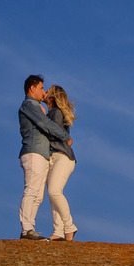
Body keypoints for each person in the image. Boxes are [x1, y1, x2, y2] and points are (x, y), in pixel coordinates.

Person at [18, 74, 71, 240]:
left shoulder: (36, 107)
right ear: (32, 88)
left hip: (41, 154)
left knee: (38, 195)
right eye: (41, 88)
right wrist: (65, 137)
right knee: (32, 190)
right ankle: (27, 229)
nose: (43, 92)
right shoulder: (29, 105)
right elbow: (45, 124)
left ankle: (29, 228)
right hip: (34, 152)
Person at [44, 85, 79, 241]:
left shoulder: (55, 113)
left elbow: (56, 133)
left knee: (54, 191)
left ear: (52, 97)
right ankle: (58, 231)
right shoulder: (52, 113)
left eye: (47, 91)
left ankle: (69, 226)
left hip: (62, 156)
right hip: (54, 156)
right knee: (53, 195)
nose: (44, 93)